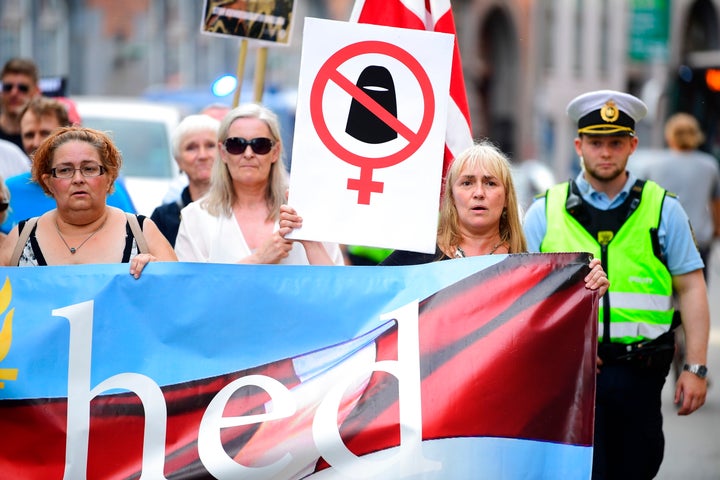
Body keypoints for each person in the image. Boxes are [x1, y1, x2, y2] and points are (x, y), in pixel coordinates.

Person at [523, 90, 710, 480]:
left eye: (615, 142)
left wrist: (695, 368)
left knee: (636, 468)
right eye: (595, 142)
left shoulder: (663, 209)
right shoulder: (544, 211)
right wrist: (564, 350)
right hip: (569, 379)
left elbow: (692, 288)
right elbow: (522, 300)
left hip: (641, 376)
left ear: (632, 146)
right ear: (578, 145)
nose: (605, 152)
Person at [380, 140, 609, 293]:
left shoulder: (530, 271)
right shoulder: (416, 259)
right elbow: (366, 299)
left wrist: (585, 293)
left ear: (506, 196)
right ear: (451, 196)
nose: (479, 193)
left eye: (490, 183)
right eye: (467, 183)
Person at [174, 103, 344, 265]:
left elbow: (337, 287)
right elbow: (192, 291)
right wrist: (258, 259)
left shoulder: (306, 213)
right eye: (236, 145)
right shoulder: (195, 217)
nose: (248, 154)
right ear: (223, 152)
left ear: (275, 152)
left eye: (260, 145)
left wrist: (310, 241)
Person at [0, 126, 177, 278]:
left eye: (89, 169)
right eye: (65, 170)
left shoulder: (143, 232)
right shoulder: (20, 238)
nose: (78, 179)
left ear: (110, 177)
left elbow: (179, 298)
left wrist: (157, 273)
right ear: (48, 182)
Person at [1, 96, 136, 234]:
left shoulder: (107, 190)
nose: (36, 142)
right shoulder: (7, 192)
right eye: (29, 135)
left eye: (45, 133)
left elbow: (135, 237)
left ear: (66, 133)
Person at [633, 112, 720, 280]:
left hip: (662, 238)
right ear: (697, 135)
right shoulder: (709, 165)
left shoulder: (654, 165)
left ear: (669, 135)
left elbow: (641, 203)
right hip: (698, 239)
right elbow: (716, 202)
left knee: (664, 292)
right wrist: (716, 229)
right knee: (695, 290)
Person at [151, 114, 220, 246]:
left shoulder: (242, 210)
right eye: (191, 148)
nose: (202, 155)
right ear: (178, 161)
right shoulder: (163, 218)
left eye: (210, 145)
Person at [0, 58, 41, 150]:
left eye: (22, 88)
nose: (14, 93)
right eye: (8, 87)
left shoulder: (45, 136)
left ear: (36, 92)